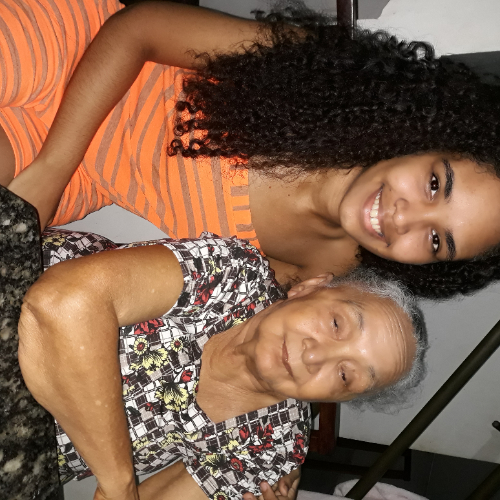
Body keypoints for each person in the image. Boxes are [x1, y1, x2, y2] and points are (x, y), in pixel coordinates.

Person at [5, 0, 500, 299]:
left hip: (85, 179)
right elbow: (140, 28)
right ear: (427, 138)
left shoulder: (330, 267)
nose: (406, 218)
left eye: (438, 242)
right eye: (435, 184)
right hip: (74, 53)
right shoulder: (326, 77)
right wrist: (50, 171)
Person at [18, 228, 427, 500]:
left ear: (338, 398)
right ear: (310, 288)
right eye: (337, 324)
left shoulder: (271, 446)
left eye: (345, 375)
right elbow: (63, 303)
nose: (315, 356)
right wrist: (118, 480)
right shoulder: (233, 276)